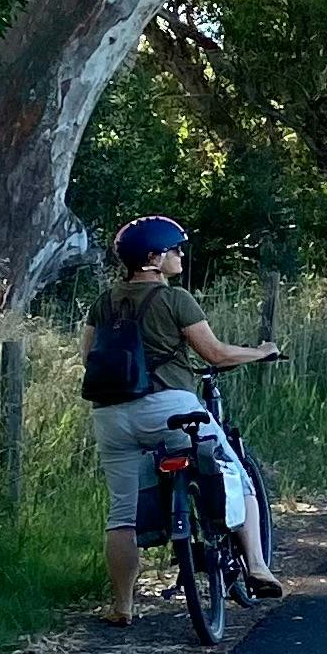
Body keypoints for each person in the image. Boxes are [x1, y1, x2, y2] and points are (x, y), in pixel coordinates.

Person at [84, 217, 284, 624]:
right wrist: (261, 352)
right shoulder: (175, 299)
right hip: (171, 409)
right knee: (234, 473)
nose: (179, 255)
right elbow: (216, 354)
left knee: (122, 513)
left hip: (111, 416)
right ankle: (259, 567)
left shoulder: (102, 303)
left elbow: (88, 357)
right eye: (173, 250)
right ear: (153, 259)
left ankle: (122, 606)